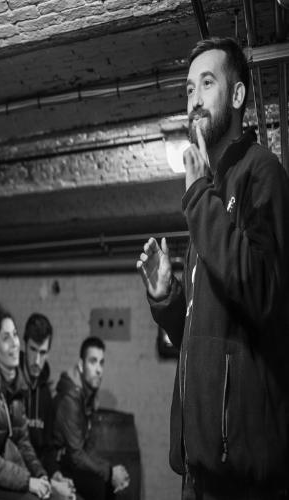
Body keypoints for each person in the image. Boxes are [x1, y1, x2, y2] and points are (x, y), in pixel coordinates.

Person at [137, 36, 289, 499]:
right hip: (199, 470)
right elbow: (207, 333)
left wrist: (199, 197)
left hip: (242, 477)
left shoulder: (262, 173)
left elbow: (262, 294)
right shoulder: (210, 190)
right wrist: (167, 300)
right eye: (188, 89)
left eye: (207, 84)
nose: (194, 100)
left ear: (238, 95)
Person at [0, 309, 68, 500]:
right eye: (6, 338)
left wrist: (42, 476)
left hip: (15, 475)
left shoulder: (17, 387)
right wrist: (29, 481)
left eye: (15, 335)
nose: (14, 343)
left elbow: (24, 443)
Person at [53, 336, 130, 500]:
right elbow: (76, 455)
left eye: (101, 363)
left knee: (106, 483)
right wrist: (110, 472)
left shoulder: (88, 397)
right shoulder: (70, 398)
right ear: (81, 365)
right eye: (93, 362)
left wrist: (110, 470)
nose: (99, 369)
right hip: (56, 465)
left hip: (70, 462)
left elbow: (88, 448)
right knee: (99, 486)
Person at [20, 313, 75, 497]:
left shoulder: (45, 395)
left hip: (39, 476)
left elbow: (47, 448)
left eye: (42, 352)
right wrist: (48, 482)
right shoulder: (12, 385)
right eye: (33, 350)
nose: (37, 360)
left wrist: (55, 474)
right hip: (19, 477)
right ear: (24, 345)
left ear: (49, 352)